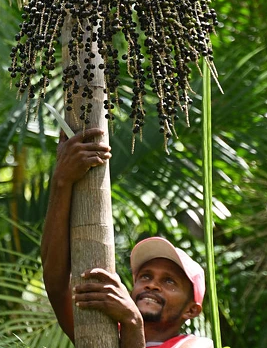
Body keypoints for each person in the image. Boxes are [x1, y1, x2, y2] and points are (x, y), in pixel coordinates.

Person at [41, 129, 213, 348]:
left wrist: (133, 322)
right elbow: (57, 286)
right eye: (145, 276)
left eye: (169, 281)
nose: (152, 285)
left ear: (191, 309)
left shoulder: (195, 345)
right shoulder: (104, 330)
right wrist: (62, 180)